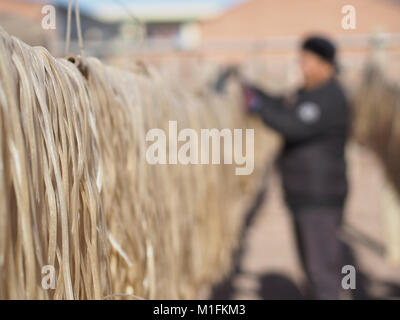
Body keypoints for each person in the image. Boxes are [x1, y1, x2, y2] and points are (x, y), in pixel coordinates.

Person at [242, 35, 349, 300]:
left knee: (321, 269)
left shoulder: (329, 98)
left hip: (320, 198)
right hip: (304, 195)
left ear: (327, 65)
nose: (302, 66)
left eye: (307, 61)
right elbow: (281, 103)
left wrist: (257, 108)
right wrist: (252, 90)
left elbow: (292, 125)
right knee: (311, 265)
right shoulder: (306, 93)